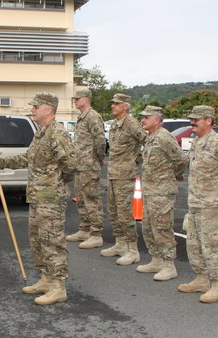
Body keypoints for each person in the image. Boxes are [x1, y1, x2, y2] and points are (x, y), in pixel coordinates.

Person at [0, 93, 76, 305]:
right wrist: (1, 162)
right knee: (37, 240)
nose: (33, 109)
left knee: (53, 241)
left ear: (49, 109)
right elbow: (28, 158)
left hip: (51, 198)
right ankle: (46, 279)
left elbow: (71, 164)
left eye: (36, 106)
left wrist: (56, 182)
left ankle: (58, 287)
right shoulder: (41, 133)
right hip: (37, 197)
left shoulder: (57, 133)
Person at [178, 105, 218, 302]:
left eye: (197, 119)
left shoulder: (217, 143)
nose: (192, 122)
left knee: (211, 245)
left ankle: (217, 285)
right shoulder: (198, 142)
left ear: (208, 121)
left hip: (211, 205)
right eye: (192, 119)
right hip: (195, 202)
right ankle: (201, 278)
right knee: (193, 243)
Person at [135, 106, 187, 281]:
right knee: (149, 227)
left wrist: (175, 173)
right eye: (142, 117)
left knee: (162, 228)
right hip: (150, 191)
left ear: (156, 120)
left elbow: (180, 159)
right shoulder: (150, 138)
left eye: (146, 117)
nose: (142, 120)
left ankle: (168, 265)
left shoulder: (164, 137)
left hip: (163, 191)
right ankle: (156, 259)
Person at [101, 93, 147, 265]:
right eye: (112, 103)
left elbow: (148, 141)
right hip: (113, 174)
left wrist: (137, 158)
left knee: (125, 214)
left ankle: (133, 250)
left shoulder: (132, 124)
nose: (113, 106)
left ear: (126, 106)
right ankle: (120, 244)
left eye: (117, 104)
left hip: (125, 176)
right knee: (114, 212)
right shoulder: (114, 125)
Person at [66, 88, 107, 249]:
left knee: (91, 199)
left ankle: (96, 234)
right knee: (81, 198)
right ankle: (85, 228)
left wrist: (99, 157)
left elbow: (100, 140)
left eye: (77, 99)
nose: (75, 101)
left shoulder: (92, 116)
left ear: (86, 99)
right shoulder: (81, 117)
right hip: (81, 164)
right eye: (74, 99)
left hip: (89, 164)